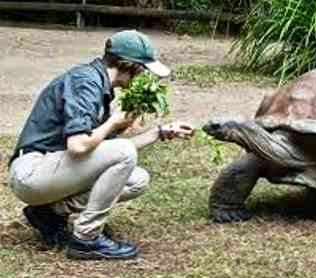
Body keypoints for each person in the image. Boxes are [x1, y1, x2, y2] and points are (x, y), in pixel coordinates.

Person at [7, 30, 194, 260]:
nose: (144, 76)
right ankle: (87, 238)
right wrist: (114, 121)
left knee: (137, 179)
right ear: (131, 66)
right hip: (32, 172)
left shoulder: (100, 86)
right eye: (144, 69)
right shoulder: (85, 82)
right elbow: (78, 146)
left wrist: (160, 132)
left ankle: (49, 213)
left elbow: (106, 154)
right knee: (124, 152)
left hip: (51, 171)